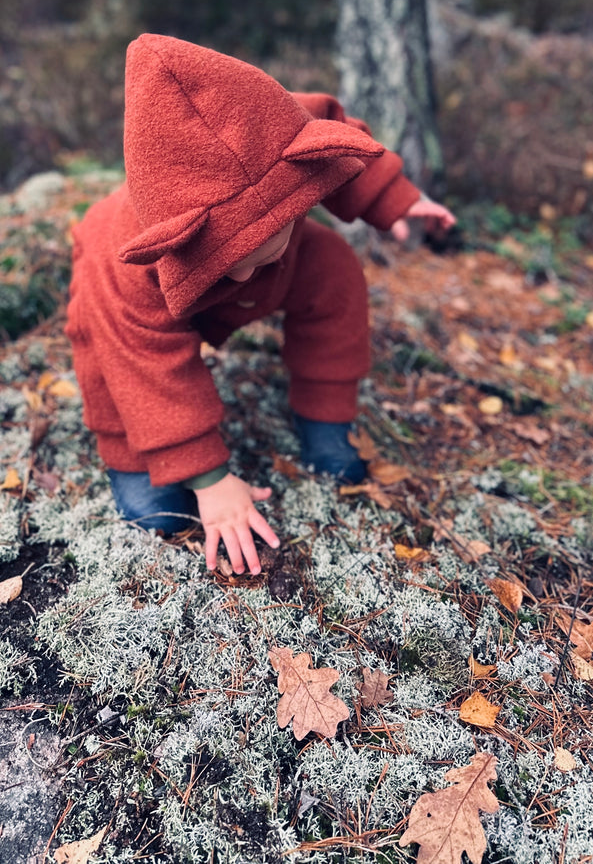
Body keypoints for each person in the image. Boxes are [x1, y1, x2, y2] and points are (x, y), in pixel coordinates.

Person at [65, 34, 455, 577]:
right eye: (234, 261)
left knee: (333, 269)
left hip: (271, 260)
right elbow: (147, 368)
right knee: (113, 364)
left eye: (263, 248)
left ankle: (325, 418)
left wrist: (397, 203)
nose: (248, 270)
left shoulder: (273, 124)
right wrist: (210, 480)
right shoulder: (126, 262)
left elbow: (338, 145)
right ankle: (133, 462)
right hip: (152, 286)